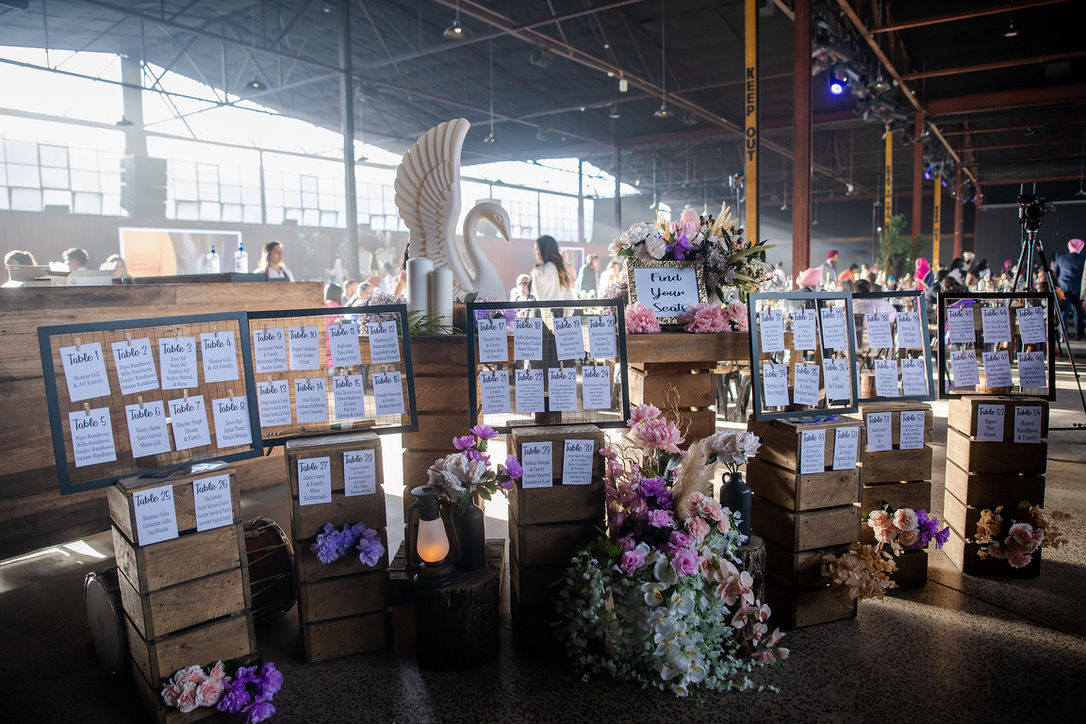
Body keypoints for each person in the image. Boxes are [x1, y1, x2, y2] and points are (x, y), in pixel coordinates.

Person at [531, 235, 573, 327]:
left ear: (544, 250)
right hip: (561, 317)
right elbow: (569, 297)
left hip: (544, 319)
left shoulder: (539, 271)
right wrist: (567, 317)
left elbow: (541, 299)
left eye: (536, 249)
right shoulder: (561, 269)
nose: (534, 253)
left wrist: (550, 324)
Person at [1054, 238, 1085, 340]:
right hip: (1078, 289)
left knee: (1064, 312)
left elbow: (1055, 274)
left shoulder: (1061, 258)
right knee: (1078, 312)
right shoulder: (1083, 259)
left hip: (1064, 288)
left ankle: (1063, 335)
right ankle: (1079, 334)